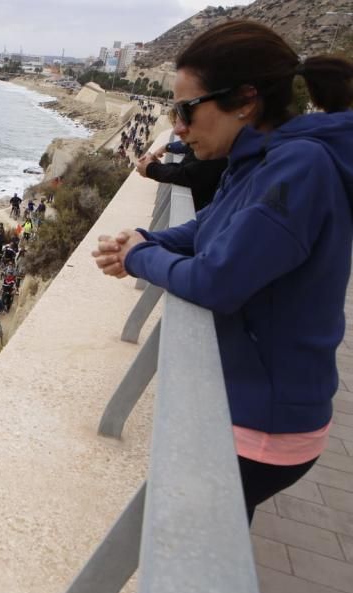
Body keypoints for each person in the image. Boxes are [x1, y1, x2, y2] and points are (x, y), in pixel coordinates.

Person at [93, 21, 353, 522]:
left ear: (244, 101)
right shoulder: (259, 160)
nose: (180, 126)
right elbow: (206, 230)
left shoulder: (297, 169)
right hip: (248, 403)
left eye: (187, 109)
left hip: (264, 425)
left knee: (196, 548)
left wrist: (138, 259)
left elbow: (218, 280)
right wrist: (146, 240)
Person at [136, 140, 228, 211]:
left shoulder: (218, 152)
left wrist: (150, 168)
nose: (177, 130)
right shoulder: (210, 145)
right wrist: (155, 165)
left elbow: (187, 174)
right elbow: (186, 168)